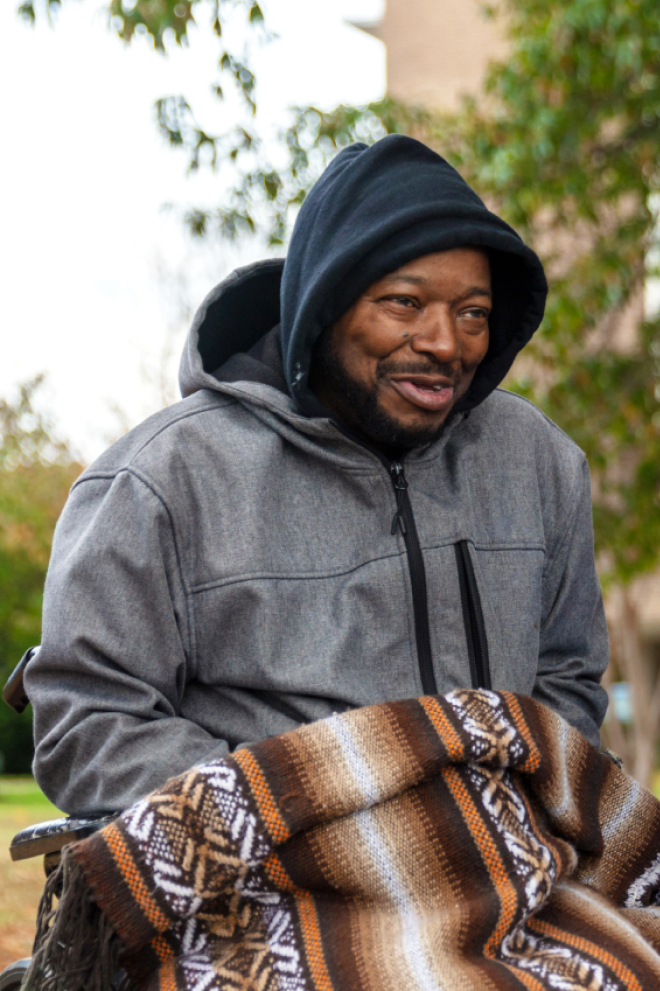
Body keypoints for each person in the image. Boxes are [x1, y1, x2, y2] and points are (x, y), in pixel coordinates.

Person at [27, 134, 608, 816]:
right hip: (266, 888)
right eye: (404, 303)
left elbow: (567, 678)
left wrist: (517, 819)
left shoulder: (538, 461)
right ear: (323, 304)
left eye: (473, 314)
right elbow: (88, 723)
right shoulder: (163, 479)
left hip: (506, 871)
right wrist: (293, 815)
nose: (445, 343)